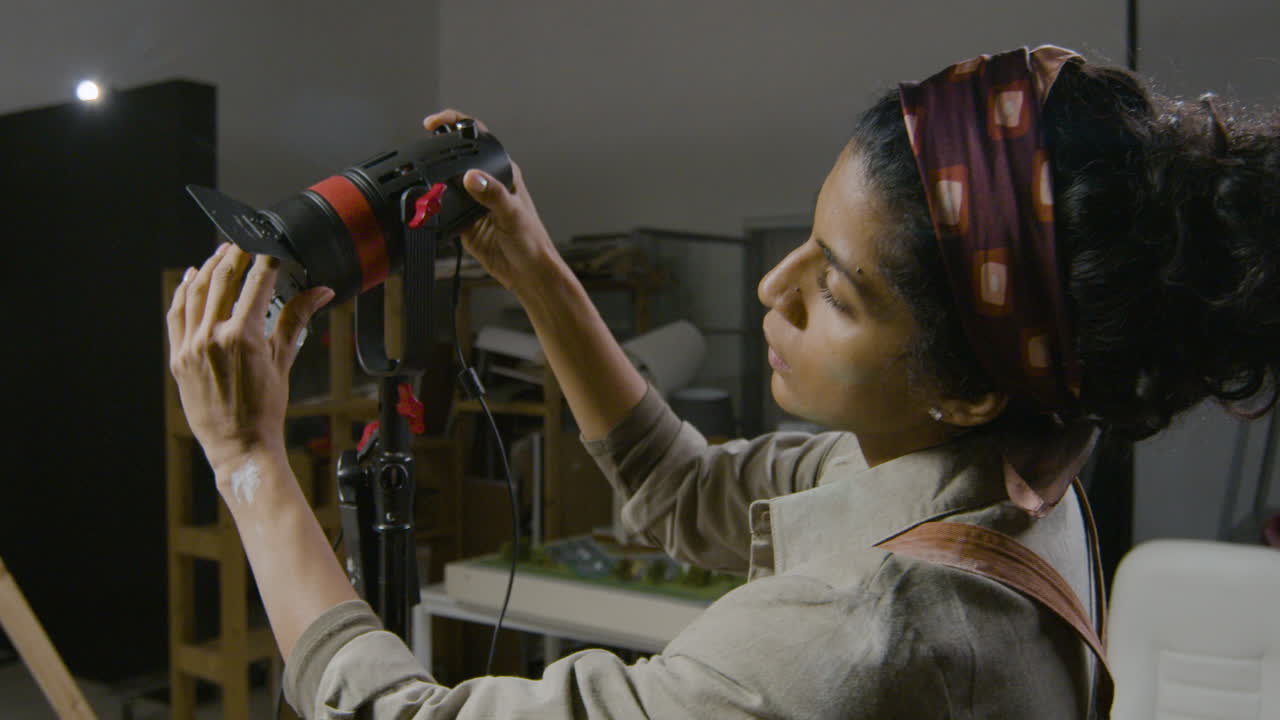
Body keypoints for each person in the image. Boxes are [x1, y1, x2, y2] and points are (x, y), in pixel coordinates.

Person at [166, 46, 1280, 718]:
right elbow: (681, 487)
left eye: (837, 293)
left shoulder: (860, 641)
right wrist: (542, 275)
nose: (769, 293)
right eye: (803, 239)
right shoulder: (1003, 482)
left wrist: (250, 461)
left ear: (971, 386)